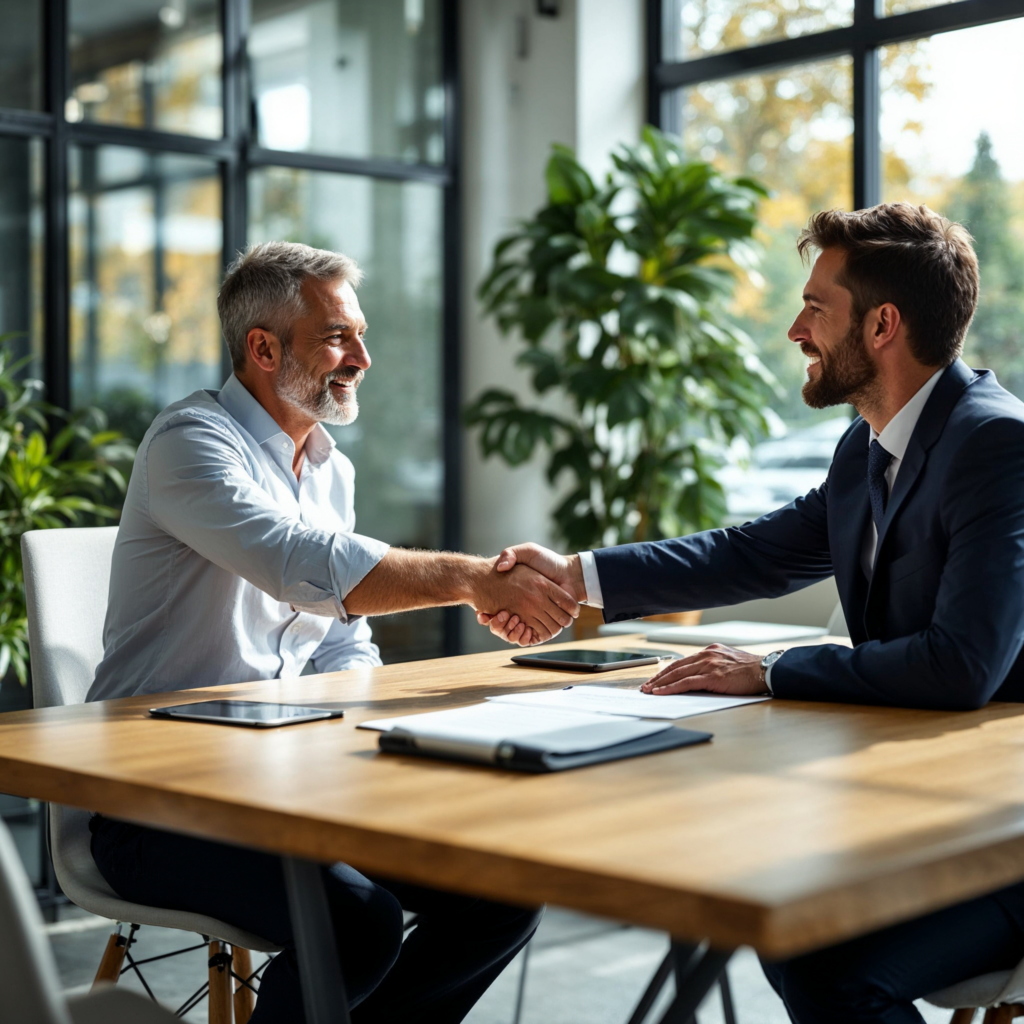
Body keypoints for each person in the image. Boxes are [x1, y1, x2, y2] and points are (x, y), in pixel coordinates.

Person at [482, 203, 1024, 1023]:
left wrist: (770, 670)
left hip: (997, 835)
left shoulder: (994, 445)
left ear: (882, 325)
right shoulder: (867, 446)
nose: (796, 330)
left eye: (815, 308)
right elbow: (750, 554)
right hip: (915, 804)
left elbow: (961, 666)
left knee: (827, 963)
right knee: (783, 915)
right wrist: (574, 576)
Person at [87, 241, 580, 1023]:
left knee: (503, 888)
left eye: (361, 335)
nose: (363, 359)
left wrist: (376, 746)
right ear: (263, 348)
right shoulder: (189, 442)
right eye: (338, 337)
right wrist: (471, 579)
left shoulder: (328, 468)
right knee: (356, 921)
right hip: (156, 804)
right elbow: (299, 564)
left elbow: (340, 639)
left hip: (288, 784)